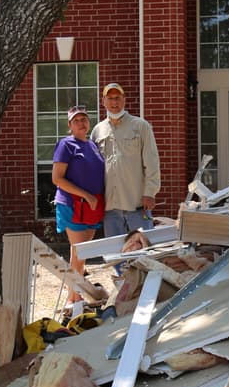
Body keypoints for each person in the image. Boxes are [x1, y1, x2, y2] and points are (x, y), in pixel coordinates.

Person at [91, 81, 160, 238]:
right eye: (110, 98)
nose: (114, 102)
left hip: (136, 204)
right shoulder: (97, 130)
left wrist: (150, 192)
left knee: (142, 253)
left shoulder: (141, 126)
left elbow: (152, 162)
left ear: (124, 100)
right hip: (110, 208)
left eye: (117, 98)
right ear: (103, 101)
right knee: (115, 255)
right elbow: (93, 169)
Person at [50, 105, 106, 294]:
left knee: (82, 255)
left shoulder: (92, 145)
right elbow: (57, 178)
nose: (81, 123)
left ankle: (77, 295)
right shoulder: (66, 144)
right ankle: (73, 299)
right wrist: (86, 195)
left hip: (93, 207)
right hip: (73, 205)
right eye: (76, 120)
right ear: (70, 125)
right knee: (79, 253)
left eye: (84, 119)